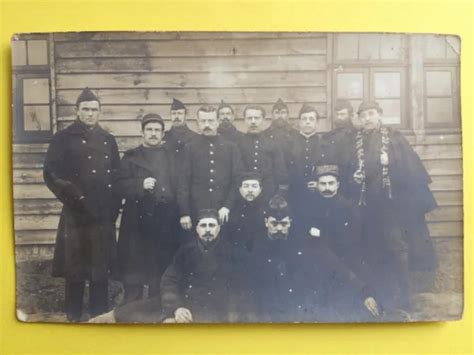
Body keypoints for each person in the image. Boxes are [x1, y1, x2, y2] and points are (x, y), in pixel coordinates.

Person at [348, 100, 438, 313]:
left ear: (379, 115)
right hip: (366, 206)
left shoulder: (395, 139)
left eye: (371, 113)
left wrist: (391, 162)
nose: (368, 118)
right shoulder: (355, 141)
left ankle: (405, 298)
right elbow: (347, 171)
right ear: (360, 119)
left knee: (397, 249)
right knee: (370, 250)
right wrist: (354, 175)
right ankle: (379, 297)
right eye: (364, 115)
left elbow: (411, 171)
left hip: (391, 206)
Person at [43, 88, 121, 321]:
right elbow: (51, 174)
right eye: (85, 109)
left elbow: (116, 176)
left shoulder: (108, 140)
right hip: (75, 215)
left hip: (102, 216)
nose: (90, 113)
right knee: (75, 269)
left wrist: (112, 209)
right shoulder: (63, 138)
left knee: (100, 270)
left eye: (94, 109)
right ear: (77, 111)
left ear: (100, 112)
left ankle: (98, 316)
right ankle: (73, 317)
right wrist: (76, 197)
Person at [249, 195, 379, 322]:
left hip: (302, 306)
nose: (279, 228)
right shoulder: (256, 246)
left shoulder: (304, 242)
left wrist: (364, 293)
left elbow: (337, 266)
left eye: (283, 224)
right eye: (274, 223)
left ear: (290, 222)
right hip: (268, 309)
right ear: (266, 222)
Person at [114, 113, 179, 304]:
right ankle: (131, 306)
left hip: (164, 219)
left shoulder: (171, 156)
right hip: (136, 221)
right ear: (142, 132)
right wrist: (139, 184)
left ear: (162, 133)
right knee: (134, 265)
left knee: (160, 264)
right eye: (149, 130)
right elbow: (118, 185)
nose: (153, 134)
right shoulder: (131, 156)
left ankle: (154, 306)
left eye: (157, 130)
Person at [302, 164, 375, 320]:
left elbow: (351, 244)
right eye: (323, 184)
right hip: (317, 262)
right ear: (317, 185)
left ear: (338, 185)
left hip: (344, 261)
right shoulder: (310, 206)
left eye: (330, 183)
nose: (327, 188)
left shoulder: (348, 207)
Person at [160, 209, 242, 323]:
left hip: (219, 310)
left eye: (212, 225)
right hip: (188, 306)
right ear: (197, 229)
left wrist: (232, 315)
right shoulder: (185, 251)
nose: (207, 229)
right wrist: (177, 308)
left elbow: (239, 287)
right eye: (203, 225)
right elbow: (169, 280)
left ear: (219, 228)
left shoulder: (231, 253)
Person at [177, 105, 243, 231]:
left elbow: (237, 179)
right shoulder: (189, 148)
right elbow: (183, 183)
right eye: (203, 121)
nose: (207, 124)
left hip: (224, 211)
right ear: (198, 123)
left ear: (217, 122)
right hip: (196, 210)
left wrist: (227, 206)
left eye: (211, 121)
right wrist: (184, 212)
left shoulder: (231, 148)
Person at [237, 104, 288, 201]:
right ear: (244, 120)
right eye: (249, 118)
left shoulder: (273, 144)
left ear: (264, 120)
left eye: (257, 118)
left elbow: (281, 172)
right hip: (243, 195)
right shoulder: (238, 144)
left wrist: (278, 195)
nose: (253, 122)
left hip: (268, 194)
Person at [287, 103, 324, 224]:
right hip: (294, 194)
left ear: (317, 122)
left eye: (311, 119)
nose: (307, 122)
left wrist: (319, 183)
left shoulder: (324, 143)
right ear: (299, 122)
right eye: (304, 119)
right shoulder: (289, 142)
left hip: (318, 194)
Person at [316, 99, 357, 199]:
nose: (340, 118)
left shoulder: (357, 135)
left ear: (350, 115)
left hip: (354, 182)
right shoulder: (329, 137)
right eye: (338, 114)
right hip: (335, 184)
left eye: (343, 114)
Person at [225, 172, 267, 253]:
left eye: (254, 186)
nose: (250, 190)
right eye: (246, 186)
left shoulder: (266, 210)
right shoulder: (231, 211)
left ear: (261, 189)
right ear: (240, 189)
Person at [263, 98, 294, 169]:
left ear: (288, 115)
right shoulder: (264, 134)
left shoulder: (295, 134)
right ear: (272, 115)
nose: (280, 116)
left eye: (283, 112)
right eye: (277, 113)